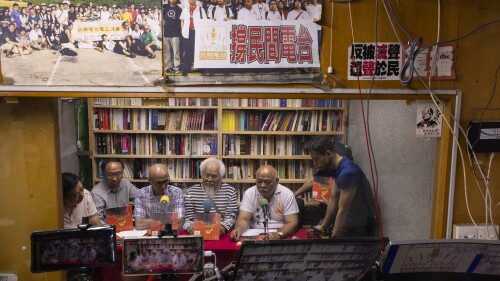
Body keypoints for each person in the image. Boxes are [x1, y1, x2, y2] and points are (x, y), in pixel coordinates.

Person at [309, 136, 378, 238]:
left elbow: (343, 210)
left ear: (328, 154)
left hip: (359, 229)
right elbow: (333, 198)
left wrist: (334, 239)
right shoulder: (337, 168)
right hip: (349, 224)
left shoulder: (348, 172)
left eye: (316, 159)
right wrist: (323, 226)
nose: (315, 164)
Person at [230, 165, 299, 241]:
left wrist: (279, 234)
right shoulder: (249, 193)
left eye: (267, 182)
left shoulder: (287, 194)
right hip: (256, 234)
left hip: (281, 233)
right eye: (259, 181)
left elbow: (292, 222)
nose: (262, 185)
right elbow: (243, 219)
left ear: (276, 181)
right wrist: (238, 230)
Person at [183, 158, 238, 235]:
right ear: (202, 174)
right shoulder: (191, 192)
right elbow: (188, 219)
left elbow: (230, 217)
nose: (209, 179)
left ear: (221, 176)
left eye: (214, 176)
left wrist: (223, 227)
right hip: (198, 233)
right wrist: (189, 227)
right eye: (206, 175)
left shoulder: (230, 191)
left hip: (220, 234)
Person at [133, 163, 184, 230]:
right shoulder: (141, 194)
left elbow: (179, 223)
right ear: (150, 181)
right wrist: (167, 221)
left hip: (170, 234)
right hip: (149, 236)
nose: (163, 186)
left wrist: (152, 222)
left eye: (165, 181)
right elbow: (139, 225)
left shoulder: (176, 193)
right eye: (158, 183)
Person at [91, 159, 139, 224]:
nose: (115, 178)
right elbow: (99, 221)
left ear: (122, 172)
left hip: (125, 225)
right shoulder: (96, 193)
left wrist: (135, 216)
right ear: (103, 174)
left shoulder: (125, 183)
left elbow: (140, 198)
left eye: (118, 174)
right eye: (110, 175)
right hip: (109, 228)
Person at [179, 0, 207, 75]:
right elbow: (182, 20)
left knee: (198, 50)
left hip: (197, 32)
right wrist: (182, 31)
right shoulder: (185, 9)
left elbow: (205, 21)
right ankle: (186, 69)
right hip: (187, 32)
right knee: (187, 51)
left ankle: (200, 68)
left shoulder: (201, 10)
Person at [163, 0, 182, 74]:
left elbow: (181, 21)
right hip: (166, 33)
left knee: (176, 52)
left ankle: (176, 67)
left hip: (176, 33)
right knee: (167, 53)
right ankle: (168, 67)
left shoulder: (179, 9)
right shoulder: (165, 8)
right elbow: (163, 20)